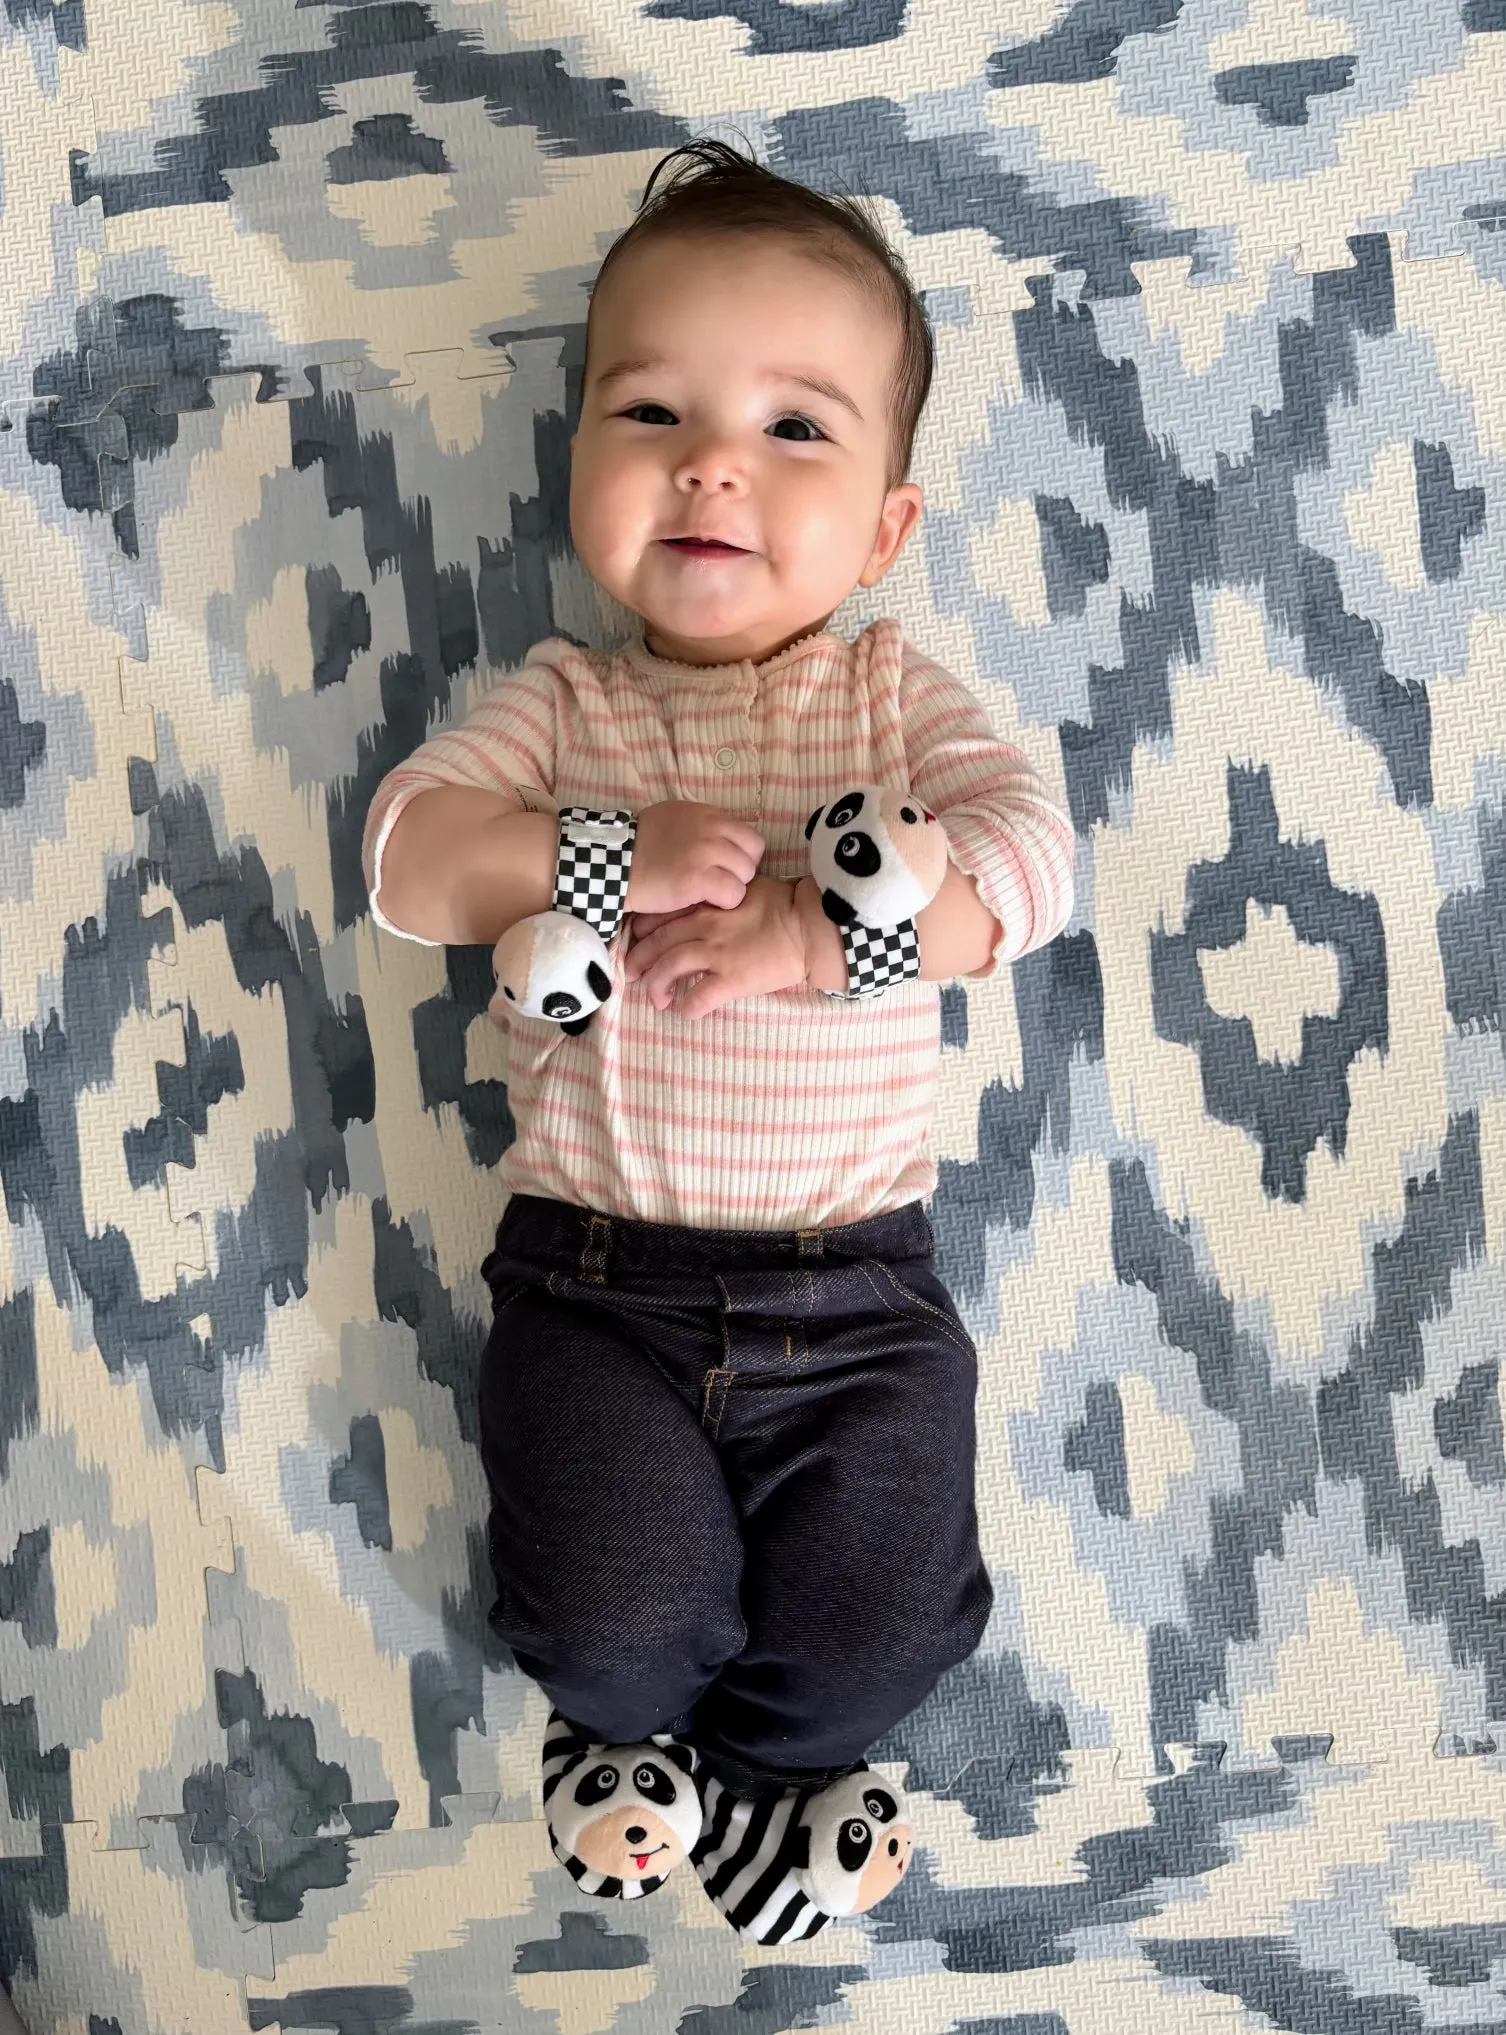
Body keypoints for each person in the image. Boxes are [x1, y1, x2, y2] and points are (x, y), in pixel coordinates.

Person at [361, 139, 1075, 1941]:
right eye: (651, 408)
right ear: (577, 459)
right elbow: (413, 864)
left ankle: (781, 1768)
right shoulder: (566, 704)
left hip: (859, 1291)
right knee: (608, 1610)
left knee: (891, 1621)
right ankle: (618, 1745)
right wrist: (600, 853)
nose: (711, 465)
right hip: (597, 1286)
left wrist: (824, 932)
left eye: (797, 429)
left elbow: (1029, 862)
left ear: (889, 527)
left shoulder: (887, 694)